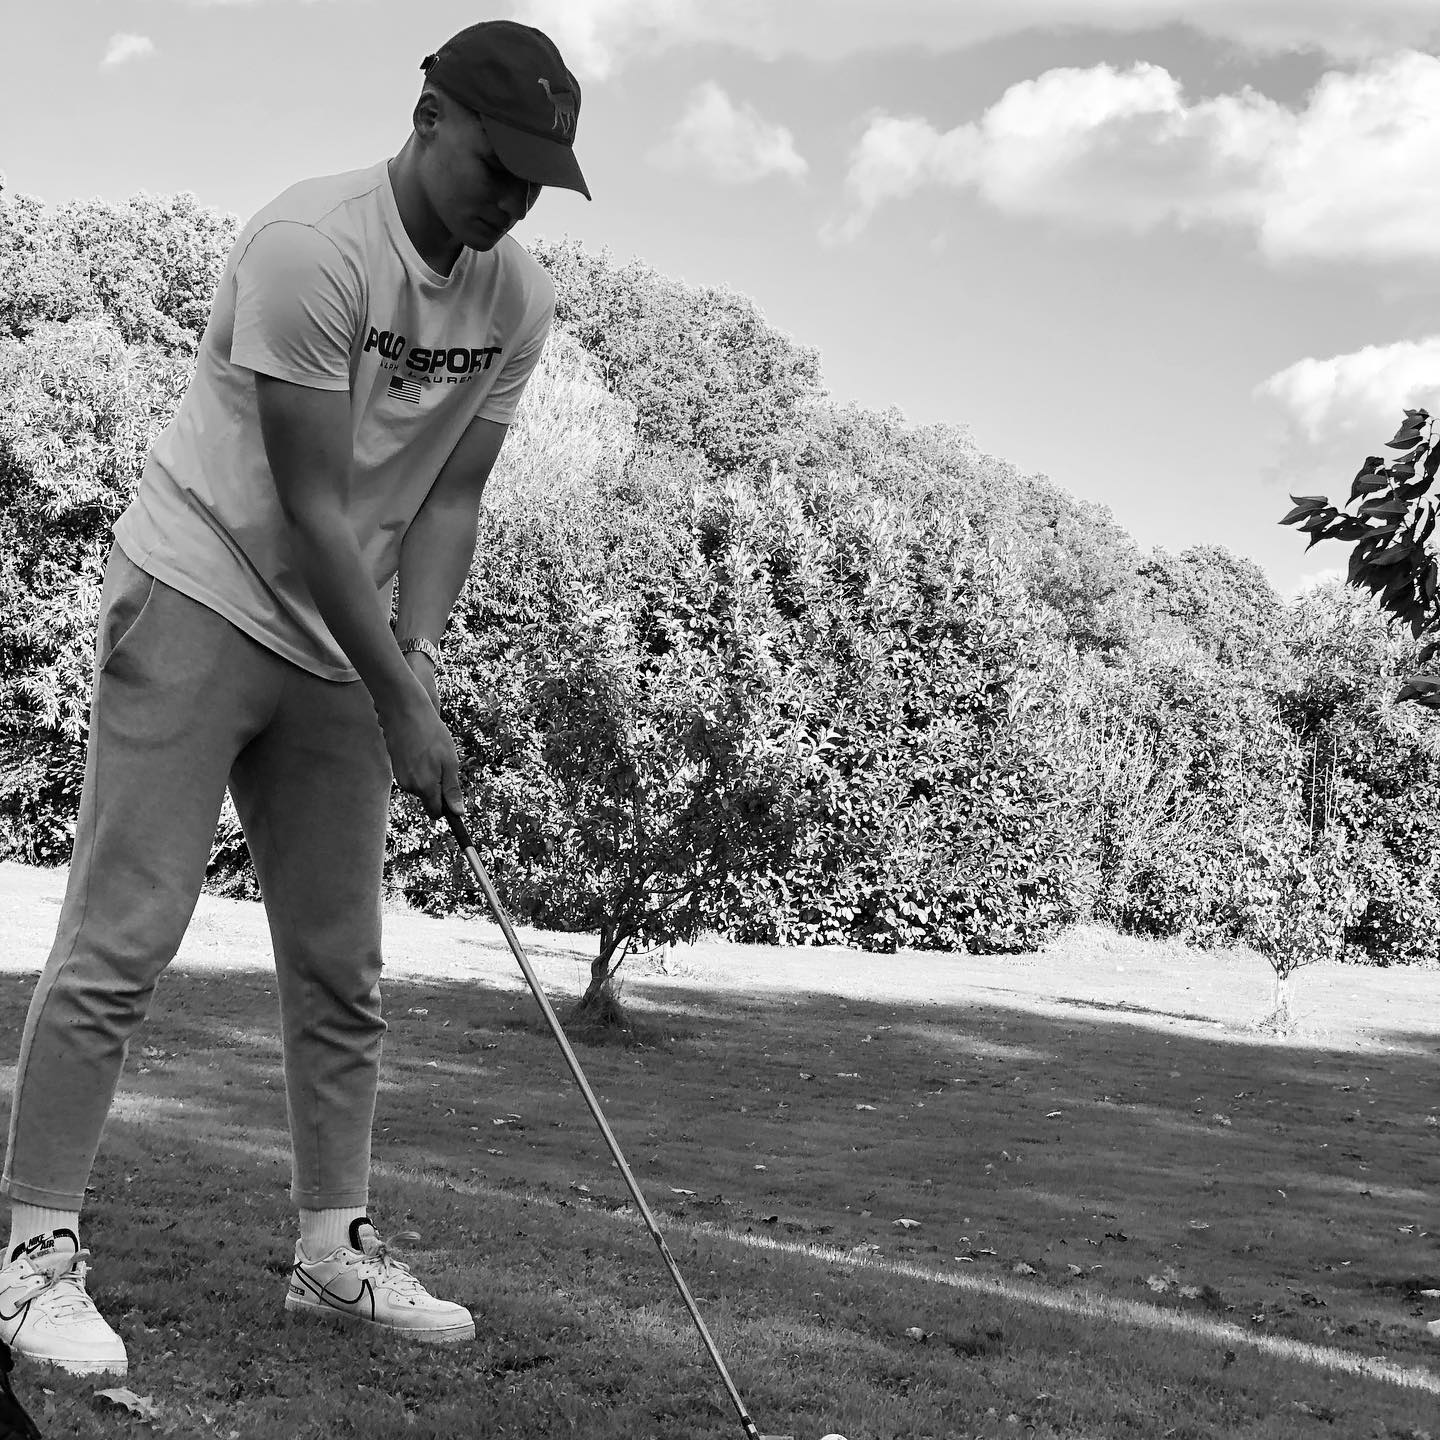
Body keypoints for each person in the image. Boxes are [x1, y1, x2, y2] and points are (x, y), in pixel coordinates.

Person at [0, 19, 588, 1378]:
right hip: (201, 588)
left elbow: (450, 496)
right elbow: (314, 506)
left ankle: (334, 1252)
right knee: (126, 932)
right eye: (496, 163)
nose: (511, 198)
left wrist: (416, 658)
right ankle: (34, 1254)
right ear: (429, 117)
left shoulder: (519, 300)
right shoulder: (308, 249)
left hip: (344, 638)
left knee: (341, 963)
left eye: (536, 178)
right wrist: (404, 701)